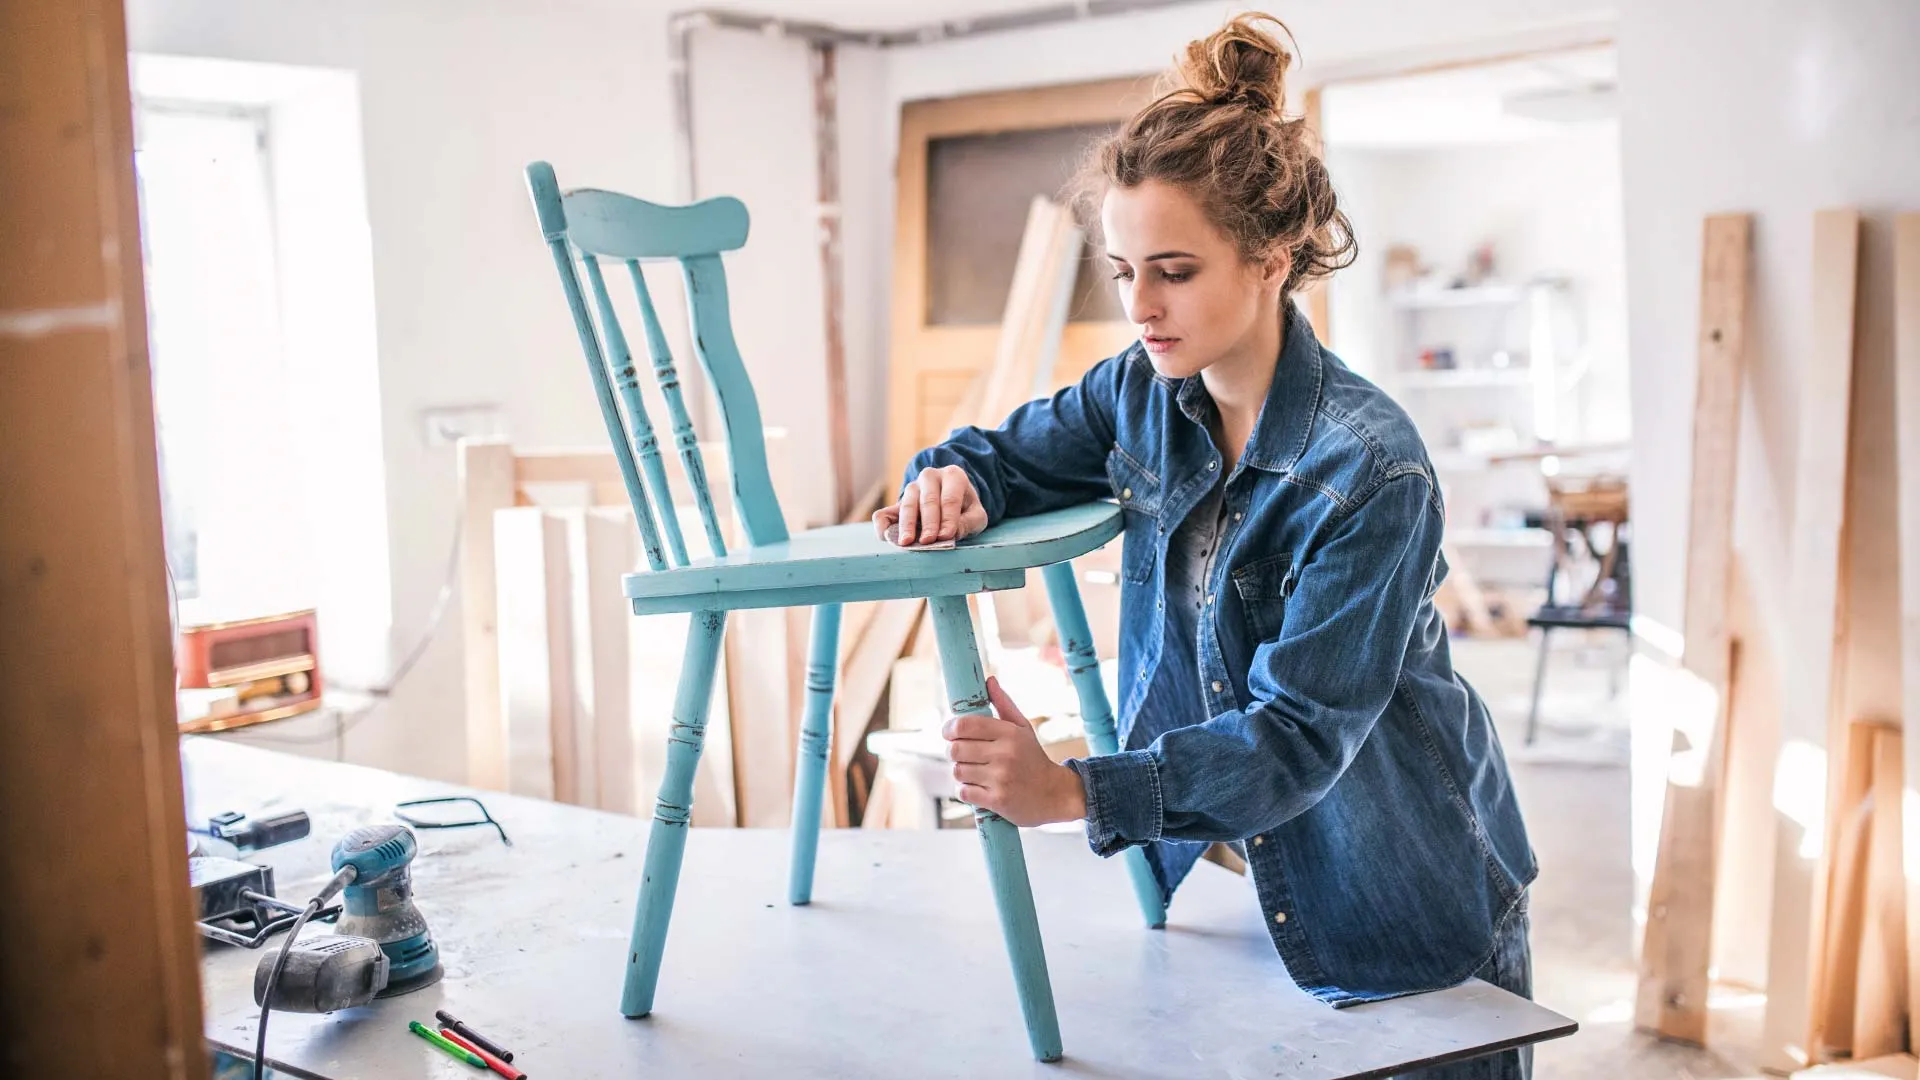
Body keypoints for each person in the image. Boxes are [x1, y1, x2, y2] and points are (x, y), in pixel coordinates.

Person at [873, 12, 1538, 1079]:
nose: (1138, 306)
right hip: (1240, 887)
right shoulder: (1141, 393)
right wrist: (946, 480)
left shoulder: (1370, 470)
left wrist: (1075, 792)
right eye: (1121, 267)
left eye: (1173, 270)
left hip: (1403, 897)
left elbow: (1293, 745)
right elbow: (994, 453)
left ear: (1273, 260)